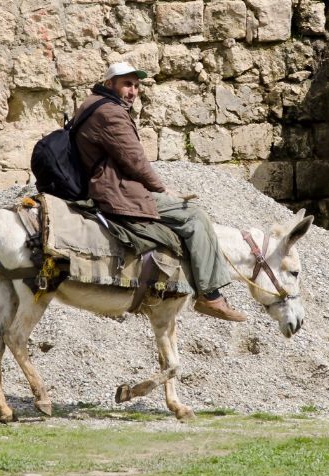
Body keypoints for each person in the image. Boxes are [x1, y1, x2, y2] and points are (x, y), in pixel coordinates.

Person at [72, 61, 247, 323]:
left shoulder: (91, 104)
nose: (132, 91)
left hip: (102, 183)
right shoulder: (111, 113)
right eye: (126, 84)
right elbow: (135, 161)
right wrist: (163, 188)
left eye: (136, 85)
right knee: (195, 217)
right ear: (110, 84)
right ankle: (210, 296)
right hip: (114, 191)